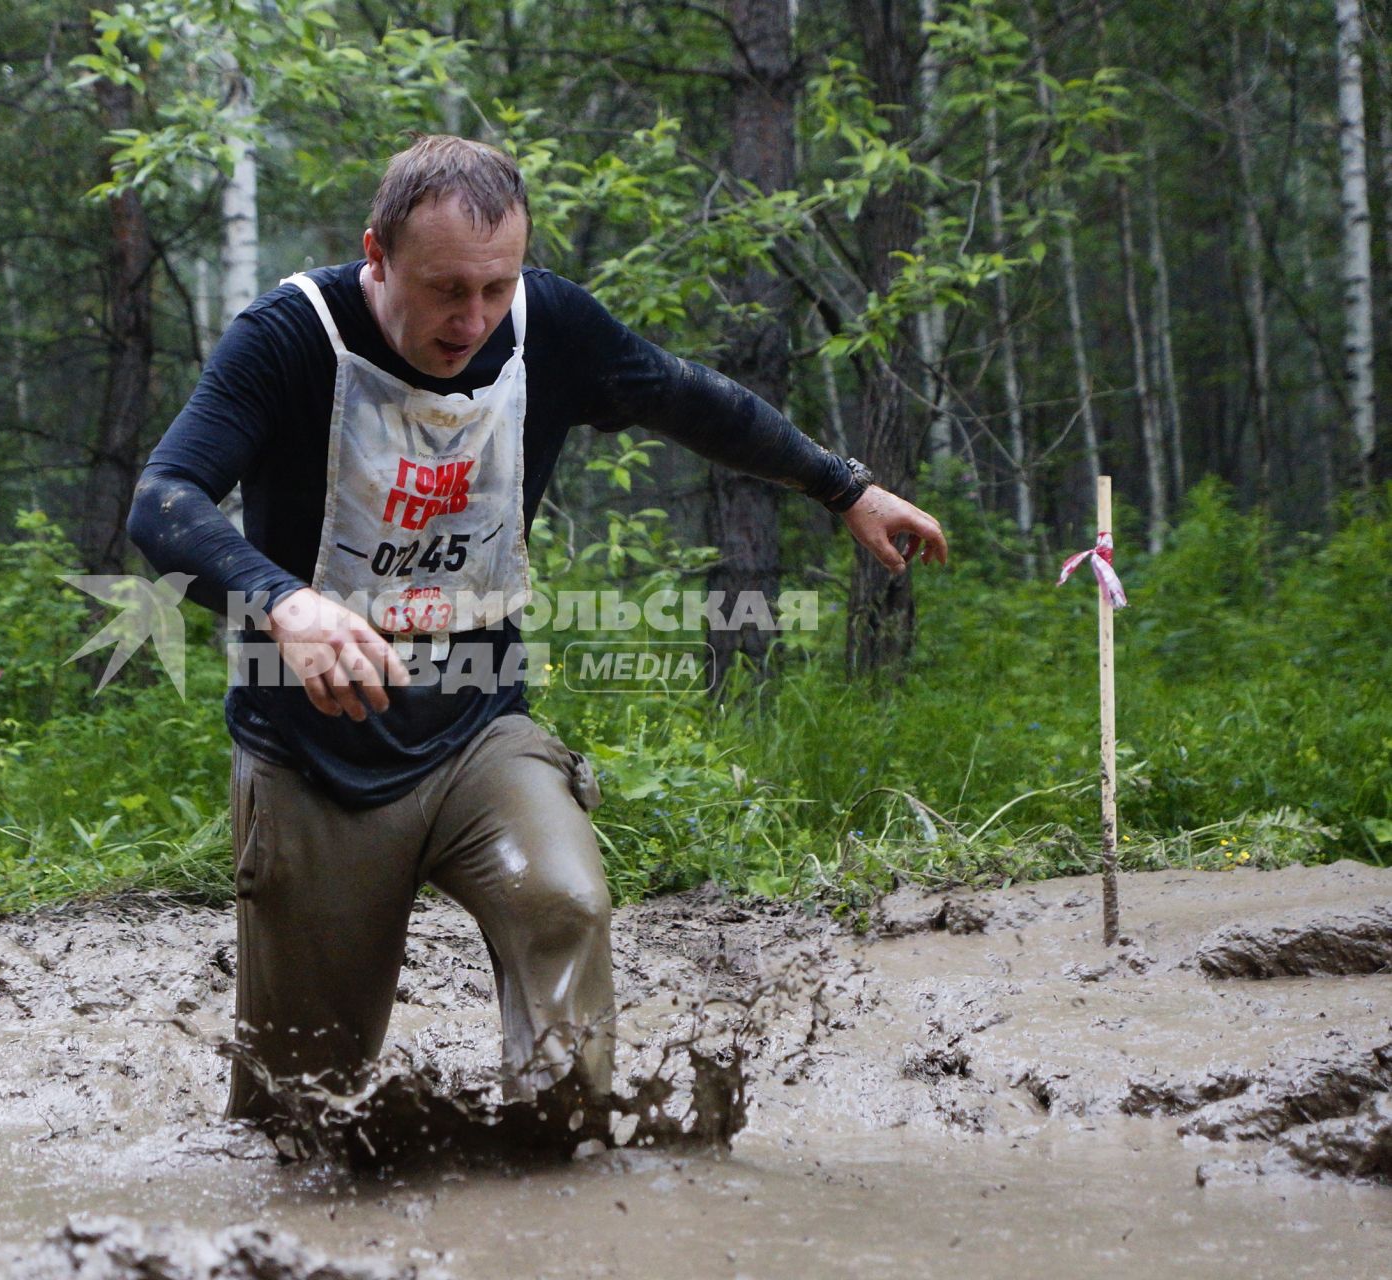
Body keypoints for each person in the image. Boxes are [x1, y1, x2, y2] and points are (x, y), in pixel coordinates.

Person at [128, 136, 946, 1126]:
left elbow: (685, 397)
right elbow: (161, 499)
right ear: (375, 255)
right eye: (443, 289)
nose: (469, 318)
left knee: (562, 900)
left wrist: (842, 485)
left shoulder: (543, 324)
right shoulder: (289, 337)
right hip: (311, 758)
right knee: (297, 1111)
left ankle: (556, 1164)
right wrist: (284, 603)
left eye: (494, 285)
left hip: (479, 734)